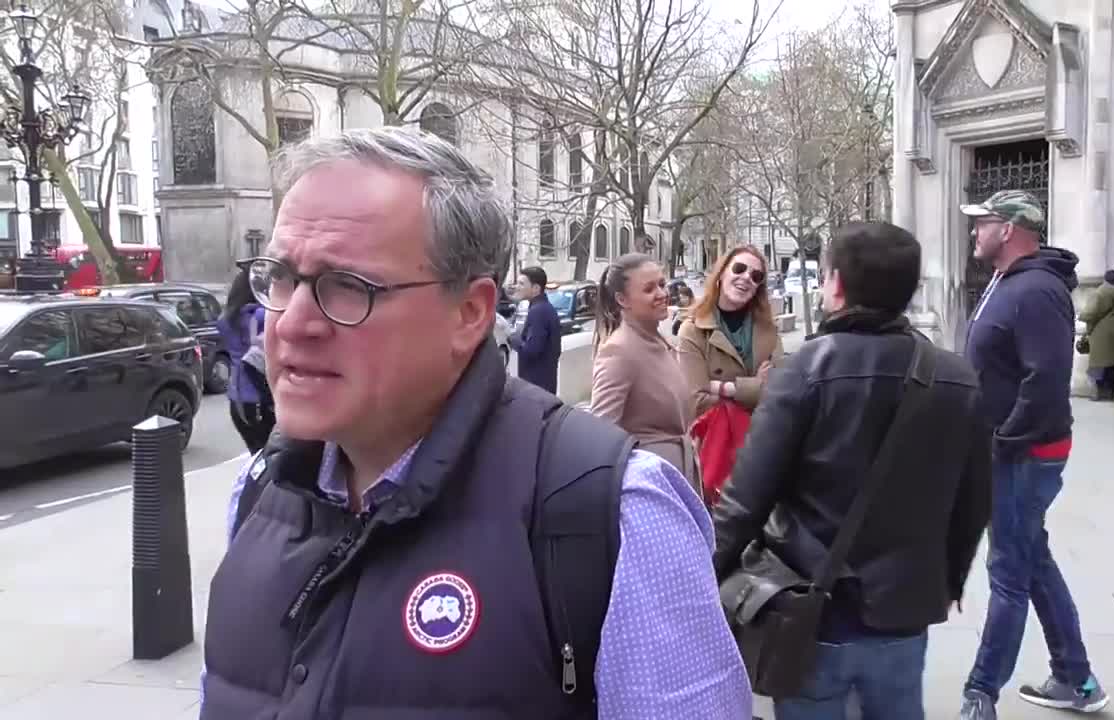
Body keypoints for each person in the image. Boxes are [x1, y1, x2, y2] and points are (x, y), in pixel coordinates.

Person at [201, 126, 750, 719]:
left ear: (469, 313)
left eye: (348, 287)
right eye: (281, 277)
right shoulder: (258, 494)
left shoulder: (617, 513)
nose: (290, 323)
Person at [712, 222, 992, 720]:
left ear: (837, 283)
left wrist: (703, 576)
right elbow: (974, 501)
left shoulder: (805, 371)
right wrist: (950, 580)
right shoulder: (957, 377)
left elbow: (746, 500)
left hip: (813, 609)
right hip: (904, 611)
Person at [958, 190, 1109, 718]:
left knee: (1009, 574)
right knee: (1031, 559)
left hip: (1023, 455)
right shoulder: (1007, 281)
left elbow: (1045, 381)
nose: (974, 231)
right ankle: (1076, 678)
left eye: (983, 222)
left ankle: (980, 693)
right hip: (1010, 451)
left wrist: (1003, 442)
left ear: (1009, 229)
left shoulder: (1038, 290)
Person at [590, 253, 700, 494]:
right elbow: (600, 434)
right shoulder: (618, 351)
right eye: (649, 289)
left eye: (661, 284)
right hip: (650, 488)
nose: (662, 293)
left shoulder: (661, 341)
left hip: (677, 478)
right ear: (622, 299)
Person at [677, 245, 782, 419]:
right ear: (721, 273)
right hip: (716, 434)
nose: (746, 277)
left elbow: (779, 392)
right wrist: (753, 387)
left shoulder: (769, 330)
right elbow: (696, 403)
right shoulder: (693, 330)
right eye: (739, 268)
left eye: (756, 276)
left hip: (764, 432)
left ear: (758, 288)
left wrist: (721, 388)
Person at [215, 269, 274, 453]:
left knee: (255, 453)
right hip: (260, 395)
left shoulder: (225, 320)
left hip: (236, 397)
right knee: (272, 455)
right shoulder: (261, 315)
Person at [510, 265, 561, 394]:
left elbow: (532, 350)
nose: (517, 287)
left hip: (536, 386)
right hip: (544, 385)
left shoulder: (538, 311)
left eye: (521, 284)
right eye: (517, 283)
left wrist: (512, 337)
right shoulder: (545, 308)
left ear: (536, 288)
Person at [1079, 270, 1114, 401]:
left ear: (1105, 279)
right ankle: (1111, 392)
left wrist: (1082, 316)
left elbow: (1091, 312)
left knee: (1098, 362)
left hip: (1102, 330)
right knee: (1113, 362)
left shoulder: (1100, 293)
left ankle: (1098, 393)